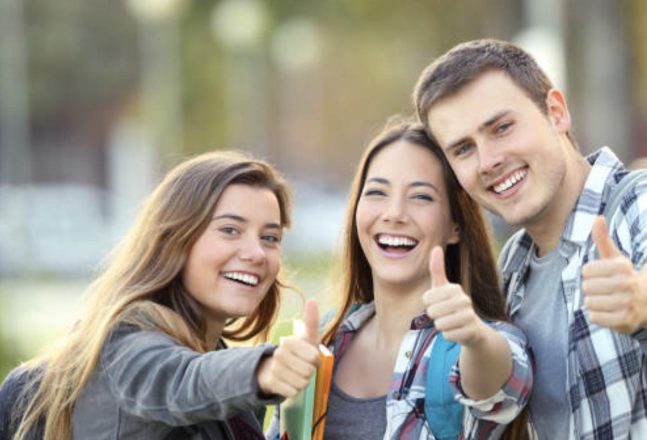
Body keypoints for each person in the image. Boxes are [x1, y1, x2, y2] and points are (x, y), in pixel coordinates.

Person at [412, 39, 647, 439]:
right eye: (464, 149)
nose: (488, 161)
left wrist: (641, 297)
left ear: (556, 113)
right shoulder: (514, 271)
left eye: (502, 128)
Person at [0, 151, 321, 440]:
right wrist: (263, 370)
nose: (256, 253)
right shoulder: (126, 345)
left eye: (270, 237)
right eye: (229, 230)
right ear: (174, 240)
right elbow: (181, 379)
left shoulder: (214, 359)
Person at [270, 119, 532, 439]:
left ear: (456, 225)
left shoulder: (480, 342)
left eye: (421, 197)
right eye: (377, 192)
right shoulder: (322, 343)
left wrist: (474, 338)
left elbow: (501, 384)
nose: (394, 213)